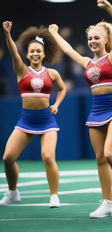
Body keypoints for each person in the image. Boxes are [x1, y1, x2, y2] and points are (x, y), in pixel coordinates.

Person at [48, 0, 112, 219]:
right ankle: (107, 203)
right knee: (99, 157)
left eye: (96, 37)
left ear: (106, 39)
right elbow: (69, 50)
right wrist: (55, 35)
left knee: (110, 153)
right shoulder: (87, 63)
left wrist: (110, 7)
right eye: (89, 39)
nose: (92, 41)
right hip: (97, 109)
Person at [0, 21, 66, 208]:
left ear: (44, 54)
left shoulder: (52, 73)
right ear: (27, 54)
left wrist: (57, 104)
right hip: (26, 120)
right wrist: (7, 34)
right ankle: (13, 192)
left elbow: (62, 90)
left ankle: (54, 195)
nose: (35, 53)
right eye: (32, 51)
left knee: (47, 156)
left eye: (39, 51)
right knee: (8, 158)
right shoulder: (21, 70)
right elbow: (13, 52)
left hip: (46, 120)